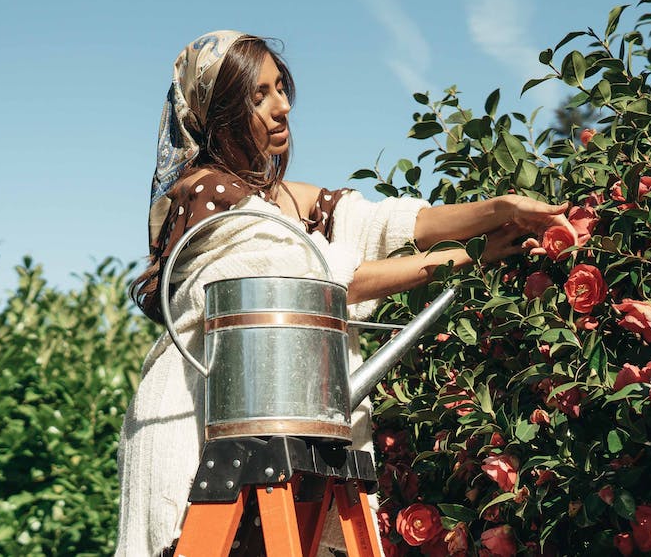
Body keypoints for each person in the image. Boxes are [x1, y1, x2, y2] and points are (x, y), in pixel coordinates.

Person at [116, 30, 574, 556]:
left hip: (271, 424)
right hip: (202, 435)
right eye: (257, 96)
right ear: (217, 114)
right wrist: (475, 256)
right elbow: (323, 282)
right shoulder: (207, 192)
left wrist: (501, 209)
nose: (281, 107)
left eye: (280, 88)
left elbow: (393, 223)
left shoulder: (278, 198)